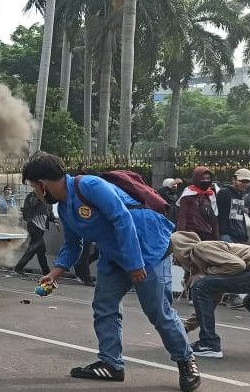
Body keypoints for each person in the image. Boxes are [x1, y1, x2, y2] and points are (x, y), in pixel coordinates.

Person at [24, 153, 201, 391]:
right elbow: (73, 243)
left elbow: (122, 219)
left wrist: (135, 263)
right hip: (114, 254)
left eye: (33, 186)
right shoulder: (64, 207)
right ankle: (111, 364)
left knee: (158, 311)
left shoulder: (89, 185)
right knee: (104, 307)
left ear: (41, 184)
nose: (35, 192)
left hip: (147, 249)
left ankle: (186, 360)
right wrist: (54, 273)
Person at [171, 231, 250, 361]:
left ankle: (209, 344)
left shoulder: (201, 248)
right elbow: (210, 301)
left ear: (181, 249)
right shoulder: (207, 262)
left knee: (200, 285)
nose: (173, 261)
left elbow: (238, 265)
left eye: (173, 254)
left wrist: (204, 275)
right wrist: (186, 327)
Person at [14, 189, 52, 276]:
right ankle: (19, 267)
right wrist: (39, 199)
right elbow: (31, 207)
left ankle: (46, 272)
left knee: (39, 250)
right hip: (34, 226)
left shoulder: (46, 196)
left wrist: (53, 219)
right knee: (36, 248)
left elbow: (49, 210)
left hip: (41, 226)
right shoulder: (31, 197)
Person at [176, 167, 218, 241]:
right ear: (197, 178)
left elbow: (213, 217)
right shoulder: (188, 194)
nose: (206, 181)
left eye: (208, 178)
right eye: (203, 178)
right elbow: (182, 216)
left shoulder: (210, 194)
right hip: (192, 234)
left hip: (207, 234)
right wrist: (182, 235)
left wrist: (216, 237)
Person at [218, 169, 250, 245]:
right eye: (242, 181)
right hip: (226, 236)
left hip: (239, 237)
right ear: (233, 180)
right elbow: (216, 214)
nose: (245, 184)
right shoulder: (224, 193)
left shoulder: (240, 195)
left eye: (247, 182)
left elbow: (239, 218)